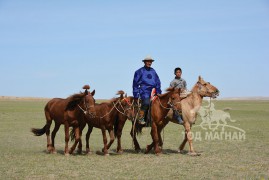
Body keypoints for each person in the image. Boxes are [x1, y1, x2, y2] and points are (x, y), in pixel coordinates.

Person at [132, 55, 162, 125]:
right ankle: (141, 117)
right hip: (144, 90)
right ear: (144, 62)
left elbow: (158, 81)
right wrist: (136, 94)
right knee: (146, 102)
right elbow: (135, 84)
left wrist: (158, 91)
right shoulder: (139, 71)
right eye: (148, 61)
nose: (149, 63)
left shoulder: (153, 71)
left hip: (154, 90)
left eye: (150, 61)